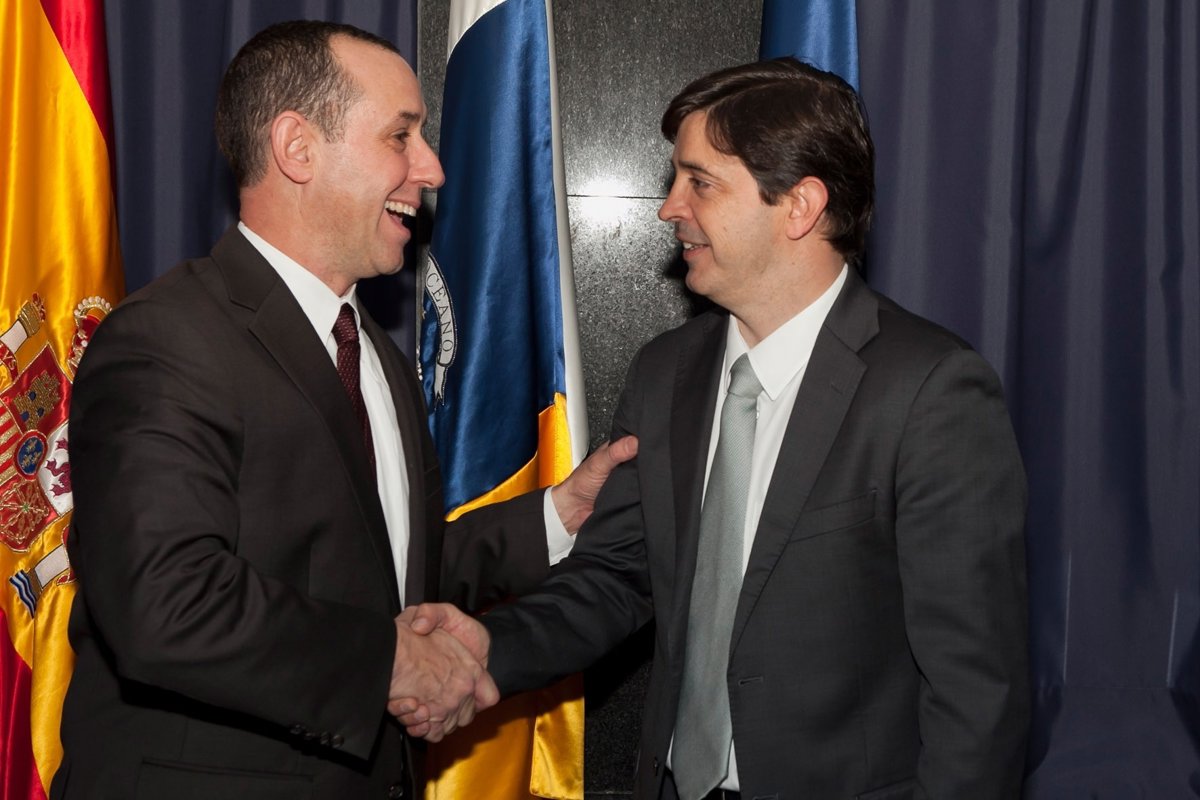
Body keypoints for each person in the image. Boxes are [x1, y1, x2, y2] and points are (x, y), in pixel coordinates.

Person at [405, 57, 1030, 799]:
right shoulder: (666, 370)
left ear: (799, 206)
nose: (668, 208)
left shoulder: (930, 391)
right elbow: (616, 578)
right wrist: (489, 646)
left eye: (699, 182)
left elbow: (976, 693)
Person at [51, 20, 633, 800]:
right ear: (298, 148)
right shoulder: (166, 338)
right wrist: (392, 662)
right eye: (401, 135)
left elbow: (382, 570)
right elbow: (166, 603)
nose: (432, 167)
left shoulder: (376, 354)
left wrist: (557, 515)